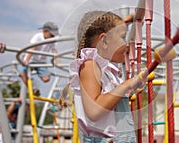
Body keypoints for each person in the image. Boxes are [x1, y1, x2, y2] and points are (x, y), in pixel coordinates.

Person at [60, 11, 144, 142]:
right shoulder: (89, 66)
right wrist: (126, 84)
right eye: (123, 37)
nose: (126, 44)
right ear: (104, 41)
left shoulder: (106, 71)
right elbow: (94, 111)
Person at [19, 22, 59, 95]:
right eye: (52, 34)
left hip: (41, 62)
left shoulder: (52, 40)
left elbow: (54, 51)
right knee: (22, 74)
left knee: (46, 79)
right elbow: (33, 48)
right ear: (44, 31)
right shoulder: (38, 36)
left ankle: (43, 75)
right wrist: (27, 60)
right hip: (31, 60)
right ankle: (34, 88)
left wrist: (58, 62)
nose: (53, 36)